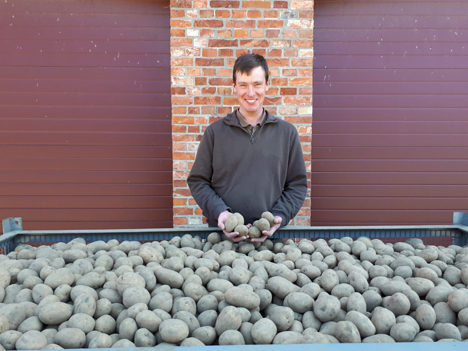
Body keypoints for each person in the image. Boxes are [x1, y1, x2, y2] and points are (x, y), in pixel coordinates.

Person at [187, 53, 308, 242]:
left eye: (257, 84)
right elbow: (198, 181)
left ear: (268, 84)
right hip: (222, 242)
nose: (250, 93)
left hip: (272, 244)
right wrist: (220, 213)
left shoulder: (287, 133)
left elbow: (297, 185)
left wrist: (278, 217)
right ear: (234, 87)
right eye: (243, 85)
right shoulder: (215, 133)